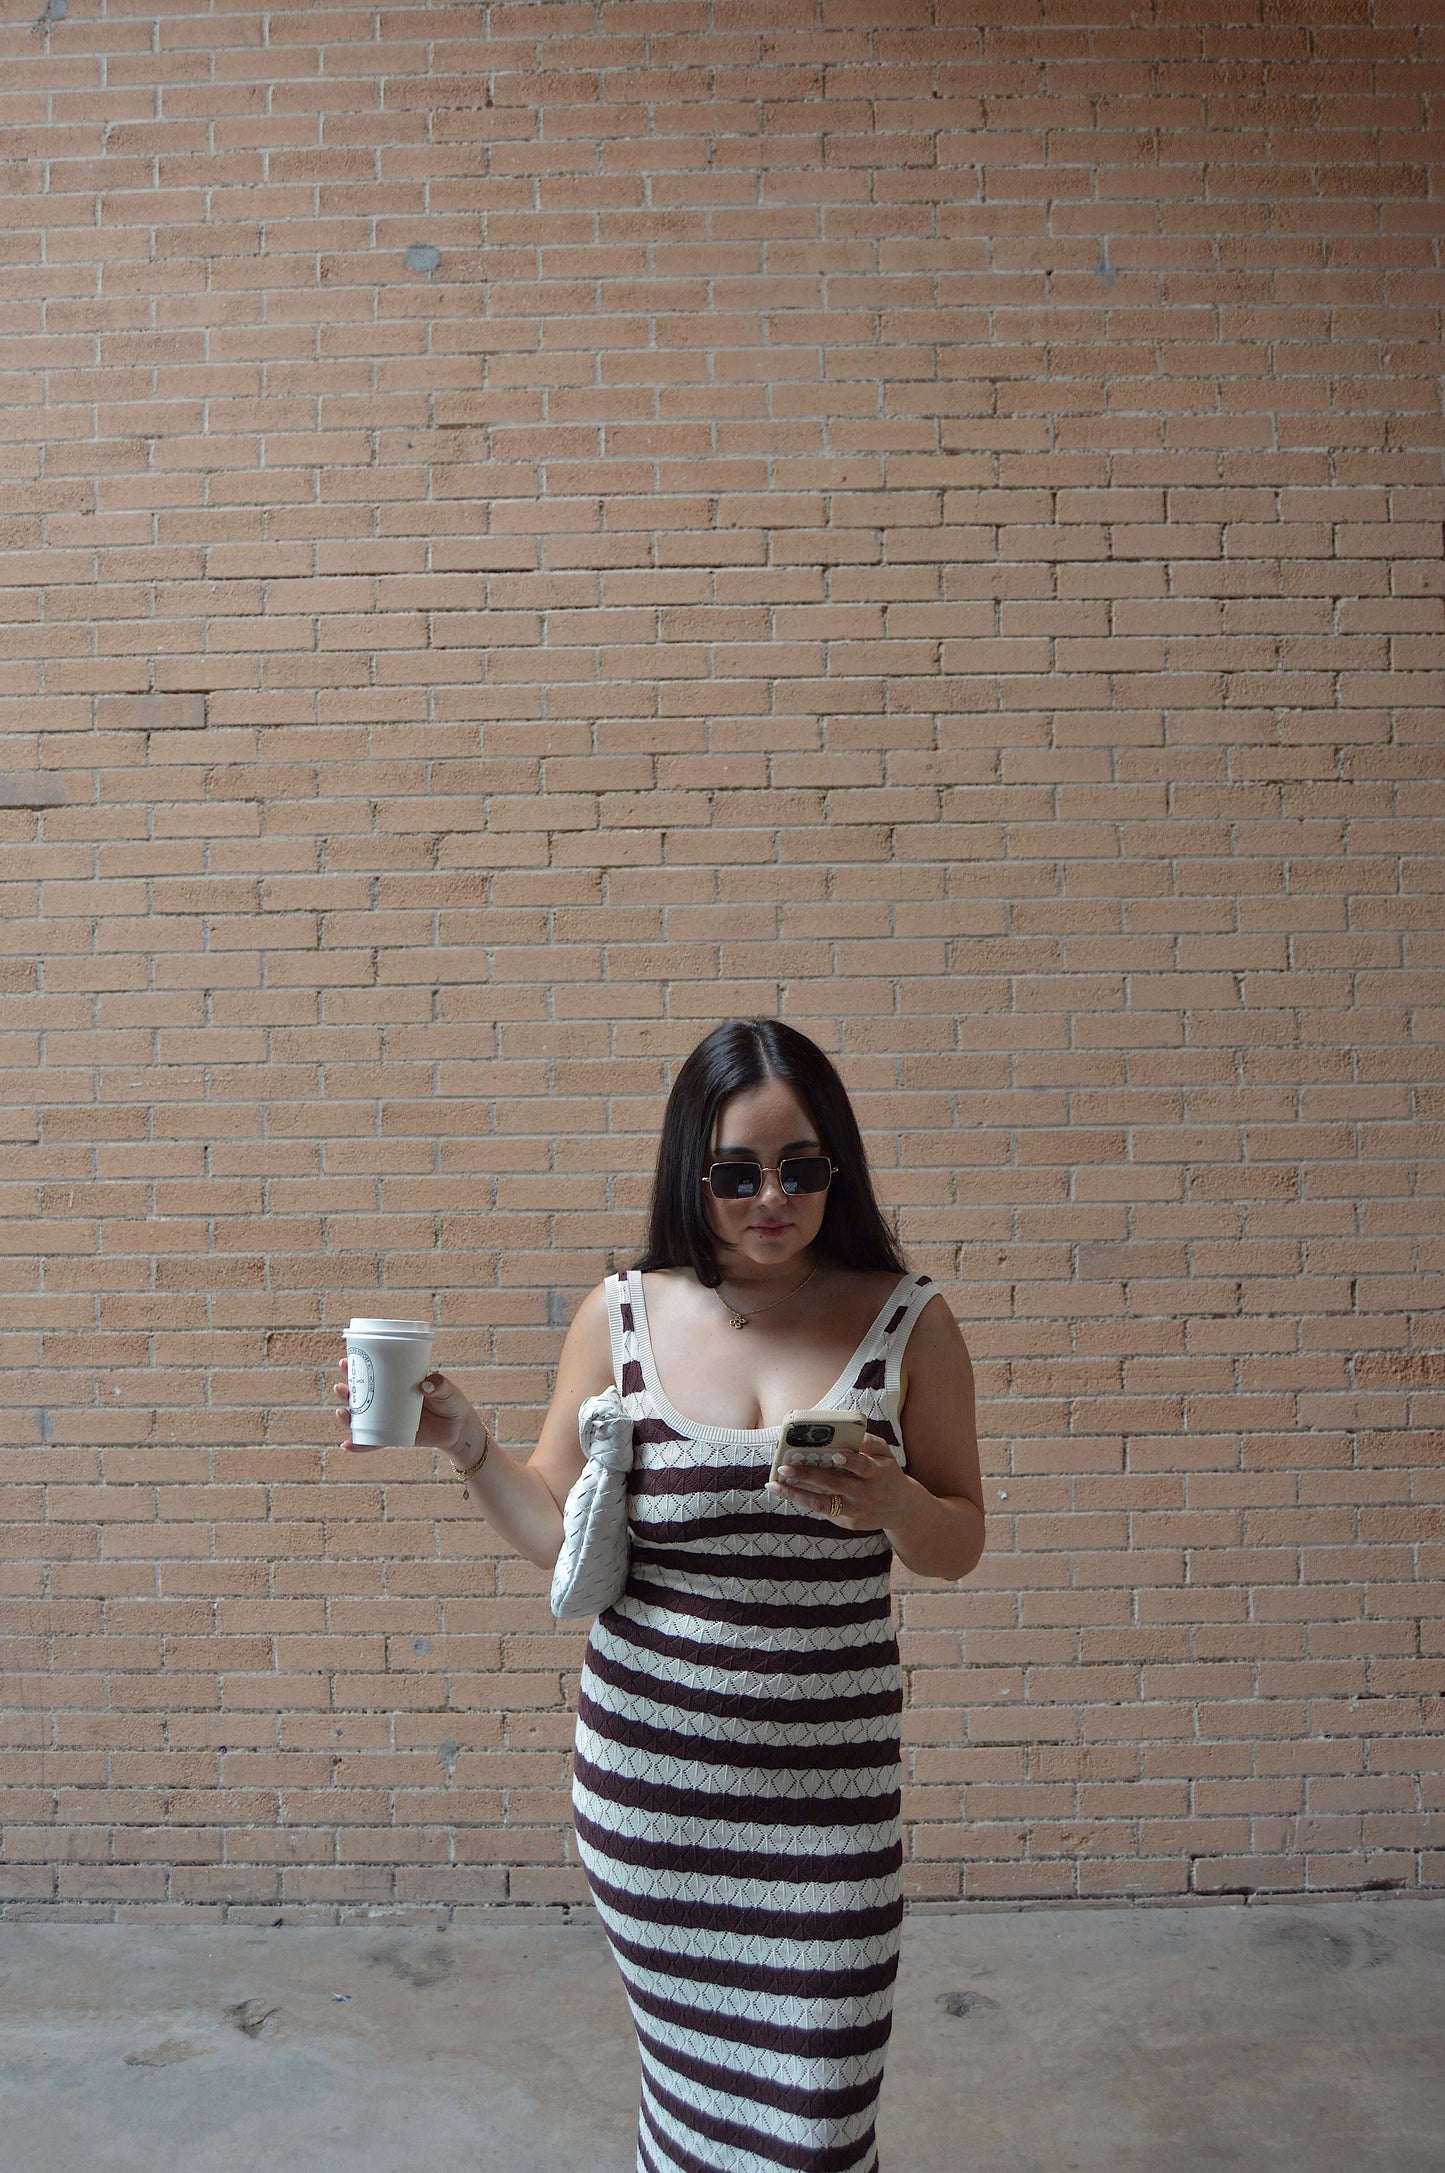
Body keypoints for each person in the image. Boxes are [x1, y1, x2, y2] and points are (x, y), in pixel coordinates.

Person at [334, 1017, 985, 2173]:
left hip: (827, 1817)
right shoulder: (621, 1315)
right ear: (692, 1171)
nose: (769, 1197)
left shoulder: (909, 1323)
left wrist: (891, 1504)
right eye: (736, 1173)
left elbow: (958, 1542)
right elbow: (559, 1529)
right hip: (652, 1809)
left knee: (817, 2131)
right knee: (688, 2126)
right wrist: (470, 1446)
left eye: (801, 1168)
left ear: (839, 1168)